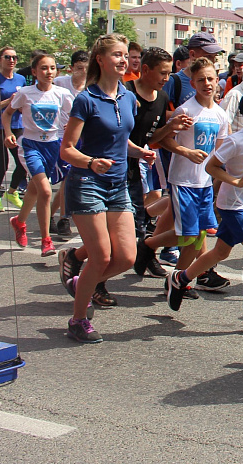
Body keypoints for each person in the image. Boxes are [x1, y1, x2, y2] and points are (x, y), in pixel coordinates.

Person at [56, 34, 155, 342]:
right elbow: (67, 149)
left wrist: (140, 152)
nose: (123, 60)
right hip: (87, 182)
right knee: (100, 256)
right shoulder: (86, 99)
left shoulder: (127, 96)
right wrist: (90, 162)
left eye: (125, 54)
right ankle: (77, 319)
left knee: (126, 257)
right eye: (116, 55)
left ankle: (82, 281)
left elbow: (118, 141)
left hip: (117, 184)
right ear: (100, 60)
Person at [165, 90, 243, 331]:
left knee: (220, 252)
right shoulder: (235, 141)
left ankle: (180, 278)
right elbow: (212, 166)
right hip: (231, 205)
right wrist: (235, 181)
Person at [161, 58, 232, 281]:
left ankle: (179, 277)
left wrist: (223, 176)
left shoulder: (221, 115)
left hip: (205, 183)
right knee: (190, 235)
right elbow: (164, 140)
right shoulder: (186, 110)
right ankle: (178, 279)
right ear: (193, 84)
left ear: (217, 82)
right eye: (201, 80)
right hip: (183, 181)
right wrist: (185, 151)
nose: (207, 83)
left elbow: (220, 152)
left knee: (200, 235)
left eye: (211, 79)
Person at [2, 52, 76, 256]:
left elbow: (73, 118)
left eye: (52, 68)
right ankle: (46, 240)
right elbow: (7, 113)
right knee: (44, 190)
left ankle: (19, 222)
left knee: (34, 189)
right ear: (34, 72)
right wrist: (8, 133)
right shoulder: (25, 93)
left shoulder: (62, 94)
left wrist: (71, 130)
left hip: (53, 146)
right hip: (31, 146)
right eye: (44, 68)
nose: (49, 72)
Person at [129, 48, 192, 279]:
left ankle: (146, 253)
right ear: (145, 70)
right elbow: (118, 134)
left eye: (168, 74)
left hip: (135, 166)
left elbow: (151, 138)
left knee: (132, 228)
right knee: (121, 233)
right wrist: (137, 150)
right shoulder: (126, 93)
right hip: (113, 166)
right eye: (162, 74)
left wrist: (171, 127)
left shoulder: (162, 98)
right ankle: (80, 260)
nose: (166, 79)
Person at [0, 46, 27, 212]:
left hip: (18, 126)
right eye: (7, 57)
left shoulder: (21, 79)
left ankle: (12, 192)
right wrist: (9, 101)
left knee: (23, 162)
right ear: (0, 59)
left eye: (14, 57)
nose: (11, 60)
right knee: (2, 165)